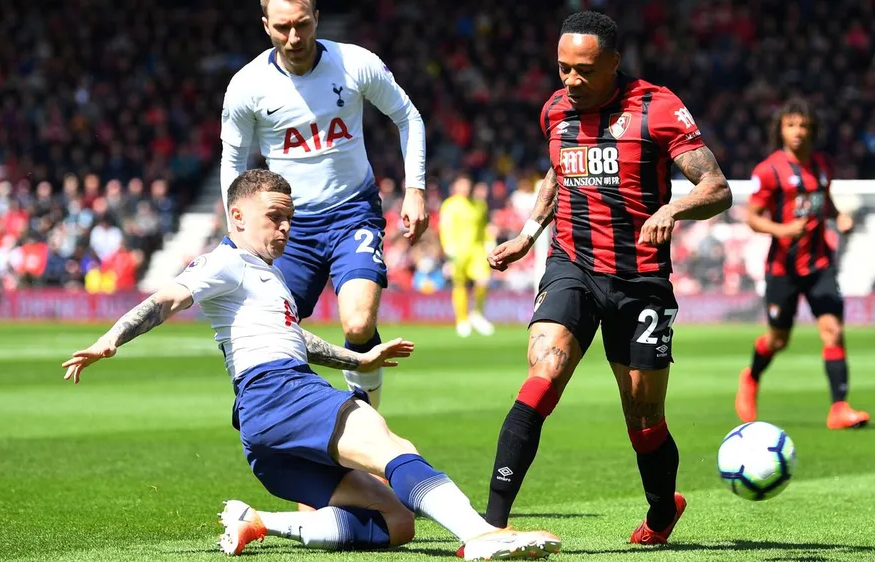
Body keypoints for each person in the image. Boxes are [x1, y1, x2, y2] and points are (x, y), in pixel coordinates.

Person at [61, 169, 560, 560]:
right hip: (280, 392)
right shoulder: (225, 261)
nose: (284, 229)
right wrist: (112, 339)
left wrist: (359, 356)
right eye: (273, 217)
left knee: (396, 522)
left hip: (263, 432)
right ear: (237, 217)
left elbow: (293, 336)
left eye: (288, 219)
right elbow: (167, 298)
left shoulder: (266, 277)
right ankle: (479, 534)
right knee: (393, 446)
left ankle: (258, 520)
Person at [482, 11, 732, 544]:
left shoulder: (657, 108)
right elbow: (558, 170)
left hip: (640, 280)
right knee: (543, 372)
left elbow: (716, 186)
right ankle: (490, 526)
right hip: (572, 265)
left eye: (583, 70)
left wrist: (675, 209)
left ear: (614, 64)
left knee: (643, 412)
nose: (569, 81)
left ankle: (663, 510)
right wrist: (527, 236)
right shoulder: (555, 110)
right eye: (562, 69)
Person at [220, 0, 430, 412]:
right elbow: (232, 161)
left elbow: (408, 116)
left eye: (302, 24)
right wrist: (238, 226)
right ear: (266, 26)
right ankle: (287, 418)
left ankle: (367, 420)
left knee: (357, 322)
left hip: (352, 212)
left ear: (316, 18)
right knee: (267, 331)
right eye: (282, 28)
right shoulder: (247, 85)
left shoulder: (355, 63)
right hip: (288, 228)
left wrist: (416, 188)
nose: (294, 37)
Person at [735, 98, 869, 430]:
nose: (798, 132)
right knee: (779, 339)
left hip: (820, 263)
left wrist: (840, 218)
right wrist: (782, 230)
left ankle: (839, 408)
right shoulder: (768, 171)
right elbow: (752, 217)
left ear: (813, 130)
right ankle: (751, 376)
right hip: (783, 269)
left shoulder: (824, 165)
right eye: (791, 125)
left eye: (804, 125)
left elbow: (826, 203)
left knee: (833, 332)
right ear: (780, 129)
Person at [439, 174, 495, 337]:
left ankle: (477, 314)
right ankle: (462, 319)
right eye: (461, 185)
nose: (465, 188)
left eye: (467, 185)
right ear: (455, 187)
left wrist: (489, 243)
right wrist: (449, 249)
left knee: (483, 281)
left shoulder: (479, 204)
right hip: (458, 251)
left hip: (477, 250)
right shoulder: (450, 205)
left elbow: (484, 226)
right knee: (460, 284)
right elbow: (446, 228)